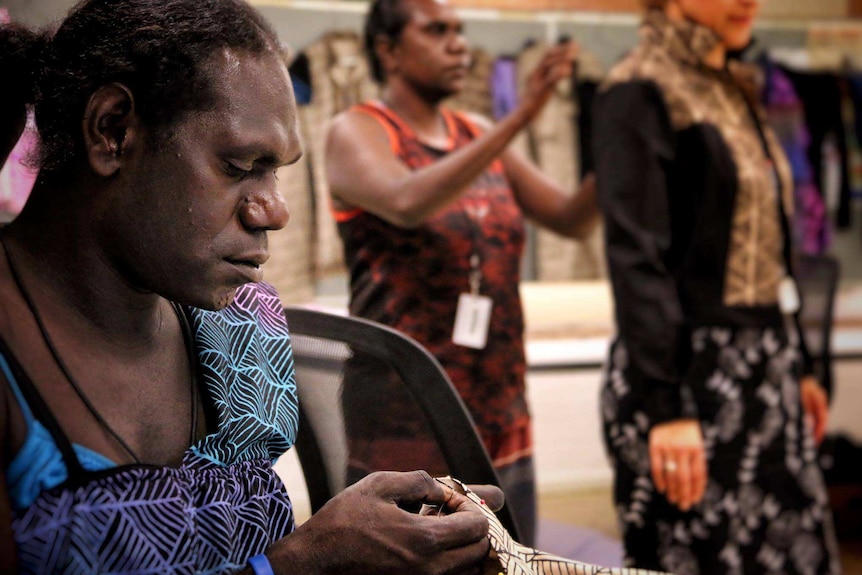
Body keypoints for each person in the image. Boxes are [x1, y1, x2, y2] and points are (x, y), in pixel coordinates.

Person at [0, 1, 506, 573]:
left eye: (278, 171)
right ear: (114, 130)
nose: (276, 211)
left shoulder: (242, 329)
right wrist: (304, 563)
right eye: (241, 167)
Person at [324, 0, 599, 546]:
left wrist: (621, 142)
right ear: (389, 50)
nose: (458, 44)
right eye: (437, 31)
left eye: (460, 30)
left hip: (501, 415)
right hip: (407, 424)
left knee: (510, 561)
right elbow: (406, 200)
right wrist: (522, 116)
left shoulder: (473, 129)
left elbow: (569, 218)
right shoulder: (355, 131)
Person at [592, 0, 841, 573]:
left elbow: (773, 246)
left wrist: (798, 362)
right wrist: (666, 407)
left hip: (765, 373)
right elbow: (637, 257)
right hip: (687, 381)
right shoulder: (636, 90)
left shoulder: (729, 83)